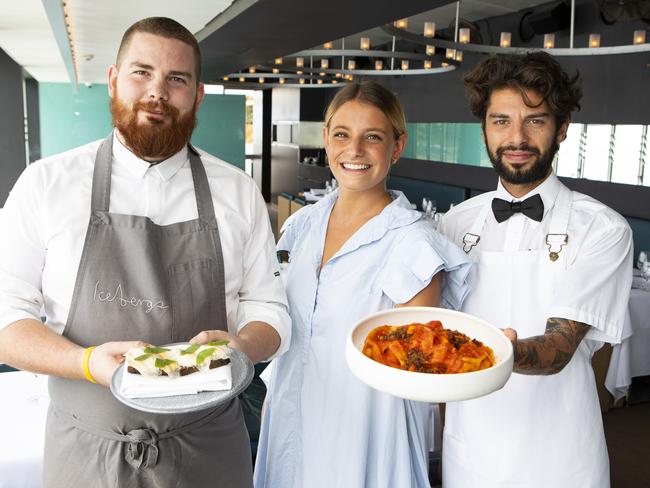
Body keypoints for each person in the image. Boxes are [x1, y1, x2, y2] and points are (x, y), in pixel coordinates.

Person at [0, 17, 290, 487]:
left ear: (197, 96)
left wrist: (244, 346)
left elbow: (270, 309)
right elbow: (6, 318)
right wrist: (87, 362)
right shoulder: (45, 184)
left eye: (177, 79)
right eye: (142, 72)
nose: (157, 91)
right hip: (85, 452)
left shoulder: (237, 192)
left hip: (209, 451)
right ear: (114, 80)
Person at [253, 81, 471, 488]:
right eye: (342, 135)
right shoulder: (300, 226)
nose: (354, 151)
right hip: (289, 414)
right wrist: (271, 398)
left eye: (372, 137)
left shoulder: (415, 243)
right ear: (326, 139)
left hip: (367, 431)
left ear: (397, 146)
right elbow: (287, 326)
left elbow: (416, 367)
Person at [438, 52, 633, 488]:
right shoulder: (454, 224)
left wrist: (494, 352)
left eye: (536, 121)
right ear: (485, 128)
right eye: (501, 121)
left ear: (562, 129)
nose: (517, 137)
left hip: (560, 453)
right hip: (471, 446)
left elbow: (559, 347)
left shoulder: (602, 229)